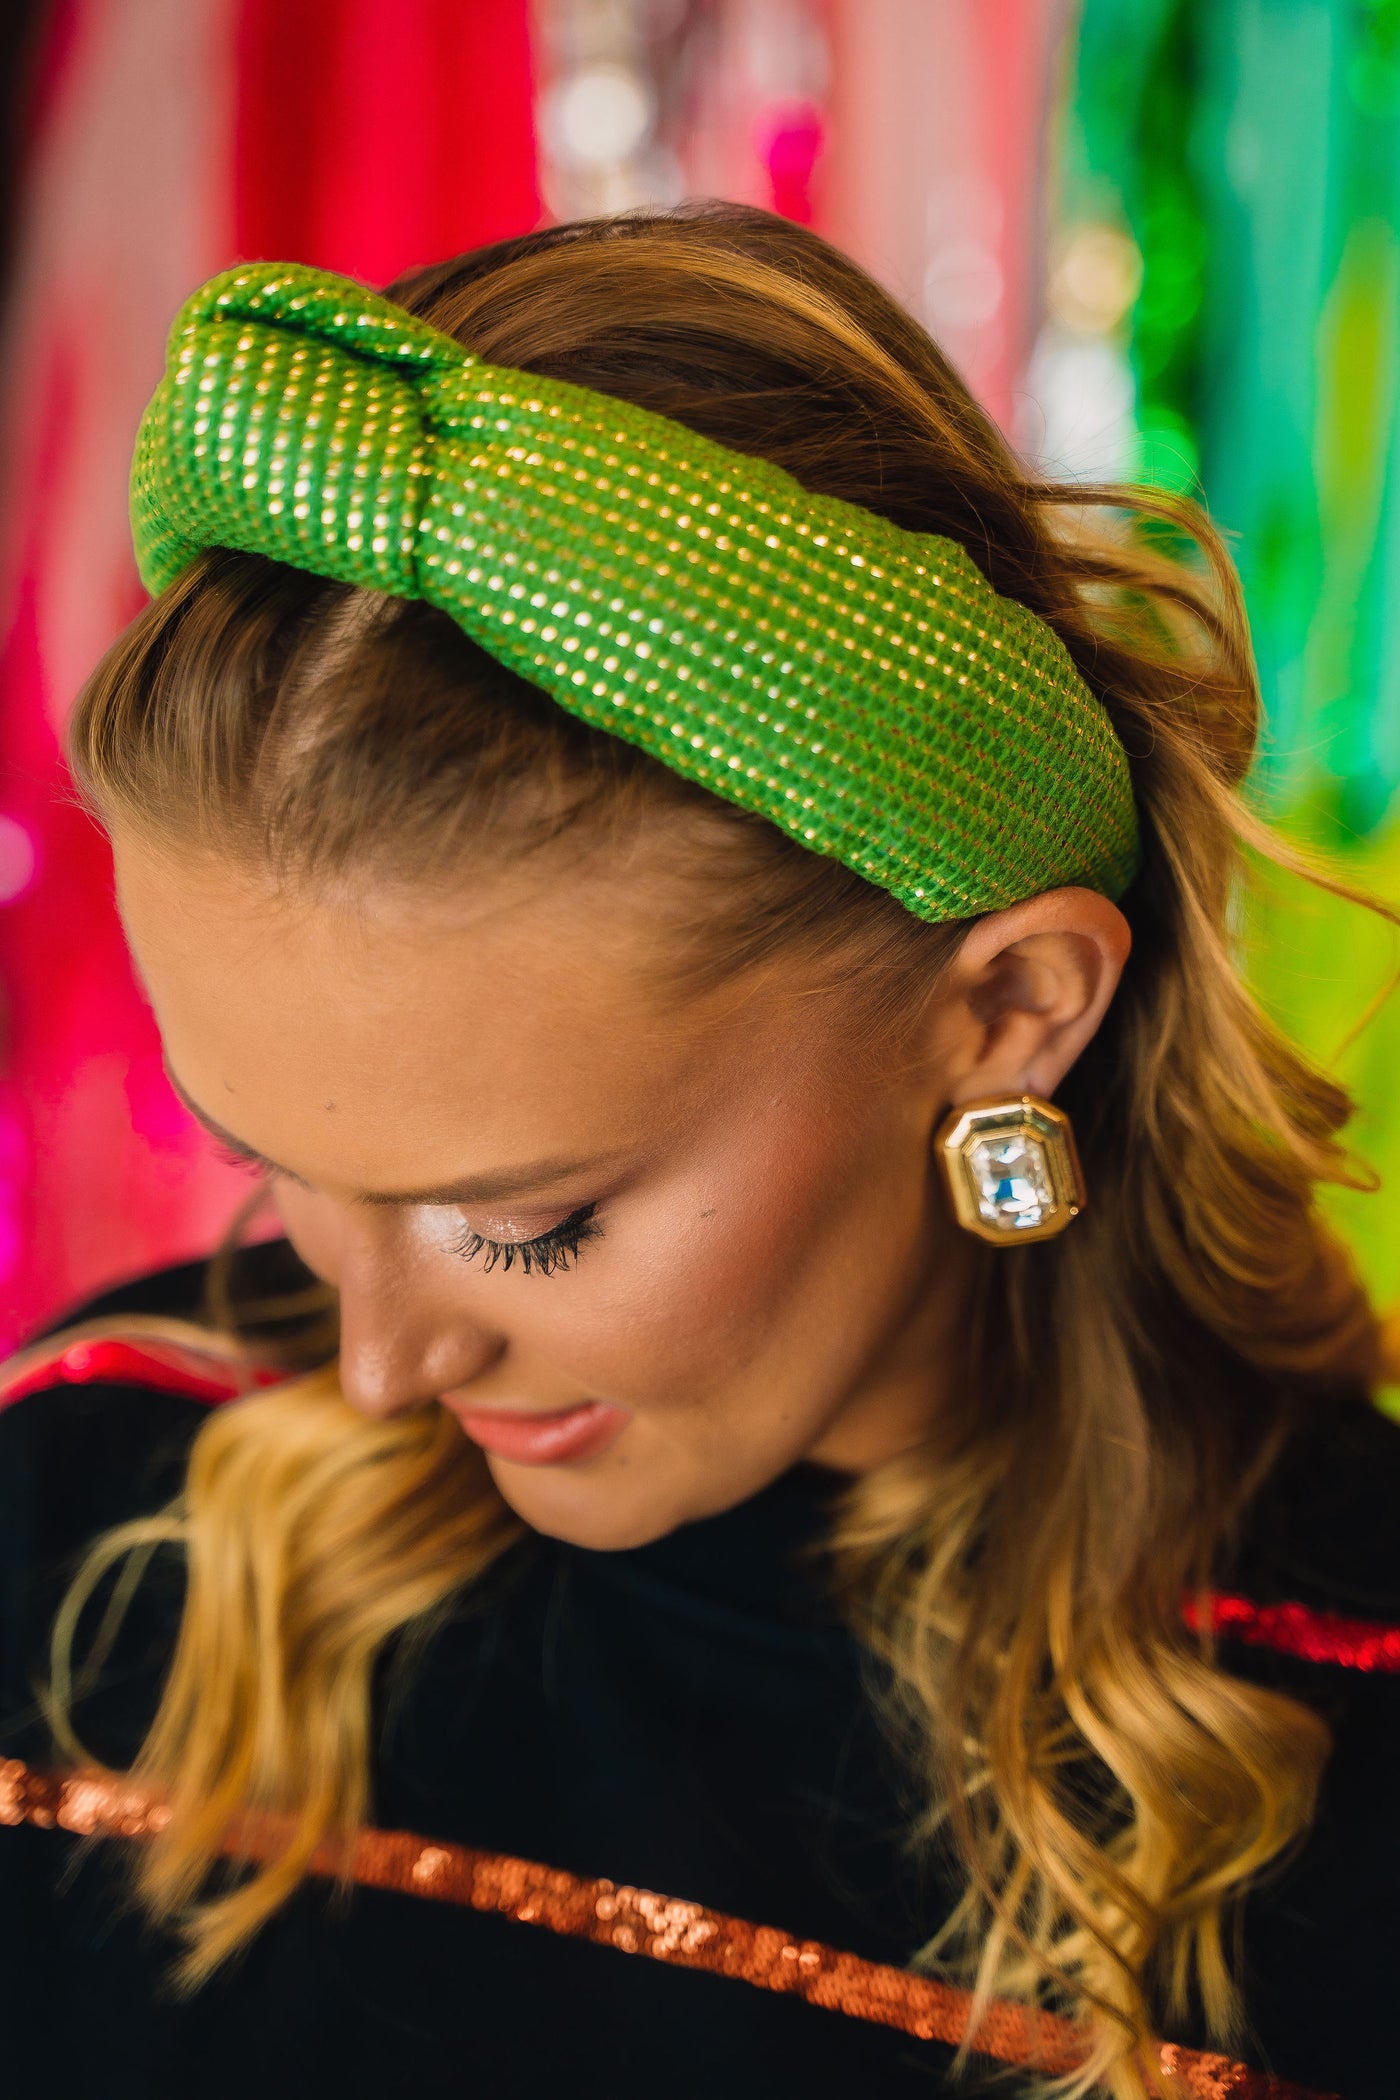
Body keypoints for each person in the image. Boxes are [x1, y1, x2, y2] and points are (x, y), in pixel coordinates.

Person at [2, 204, 1397, 2100]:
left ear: (1010, 1013)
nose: (379, 1367)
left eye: (527, 1220)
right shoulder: (76, 1490)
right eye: (281, 1172)